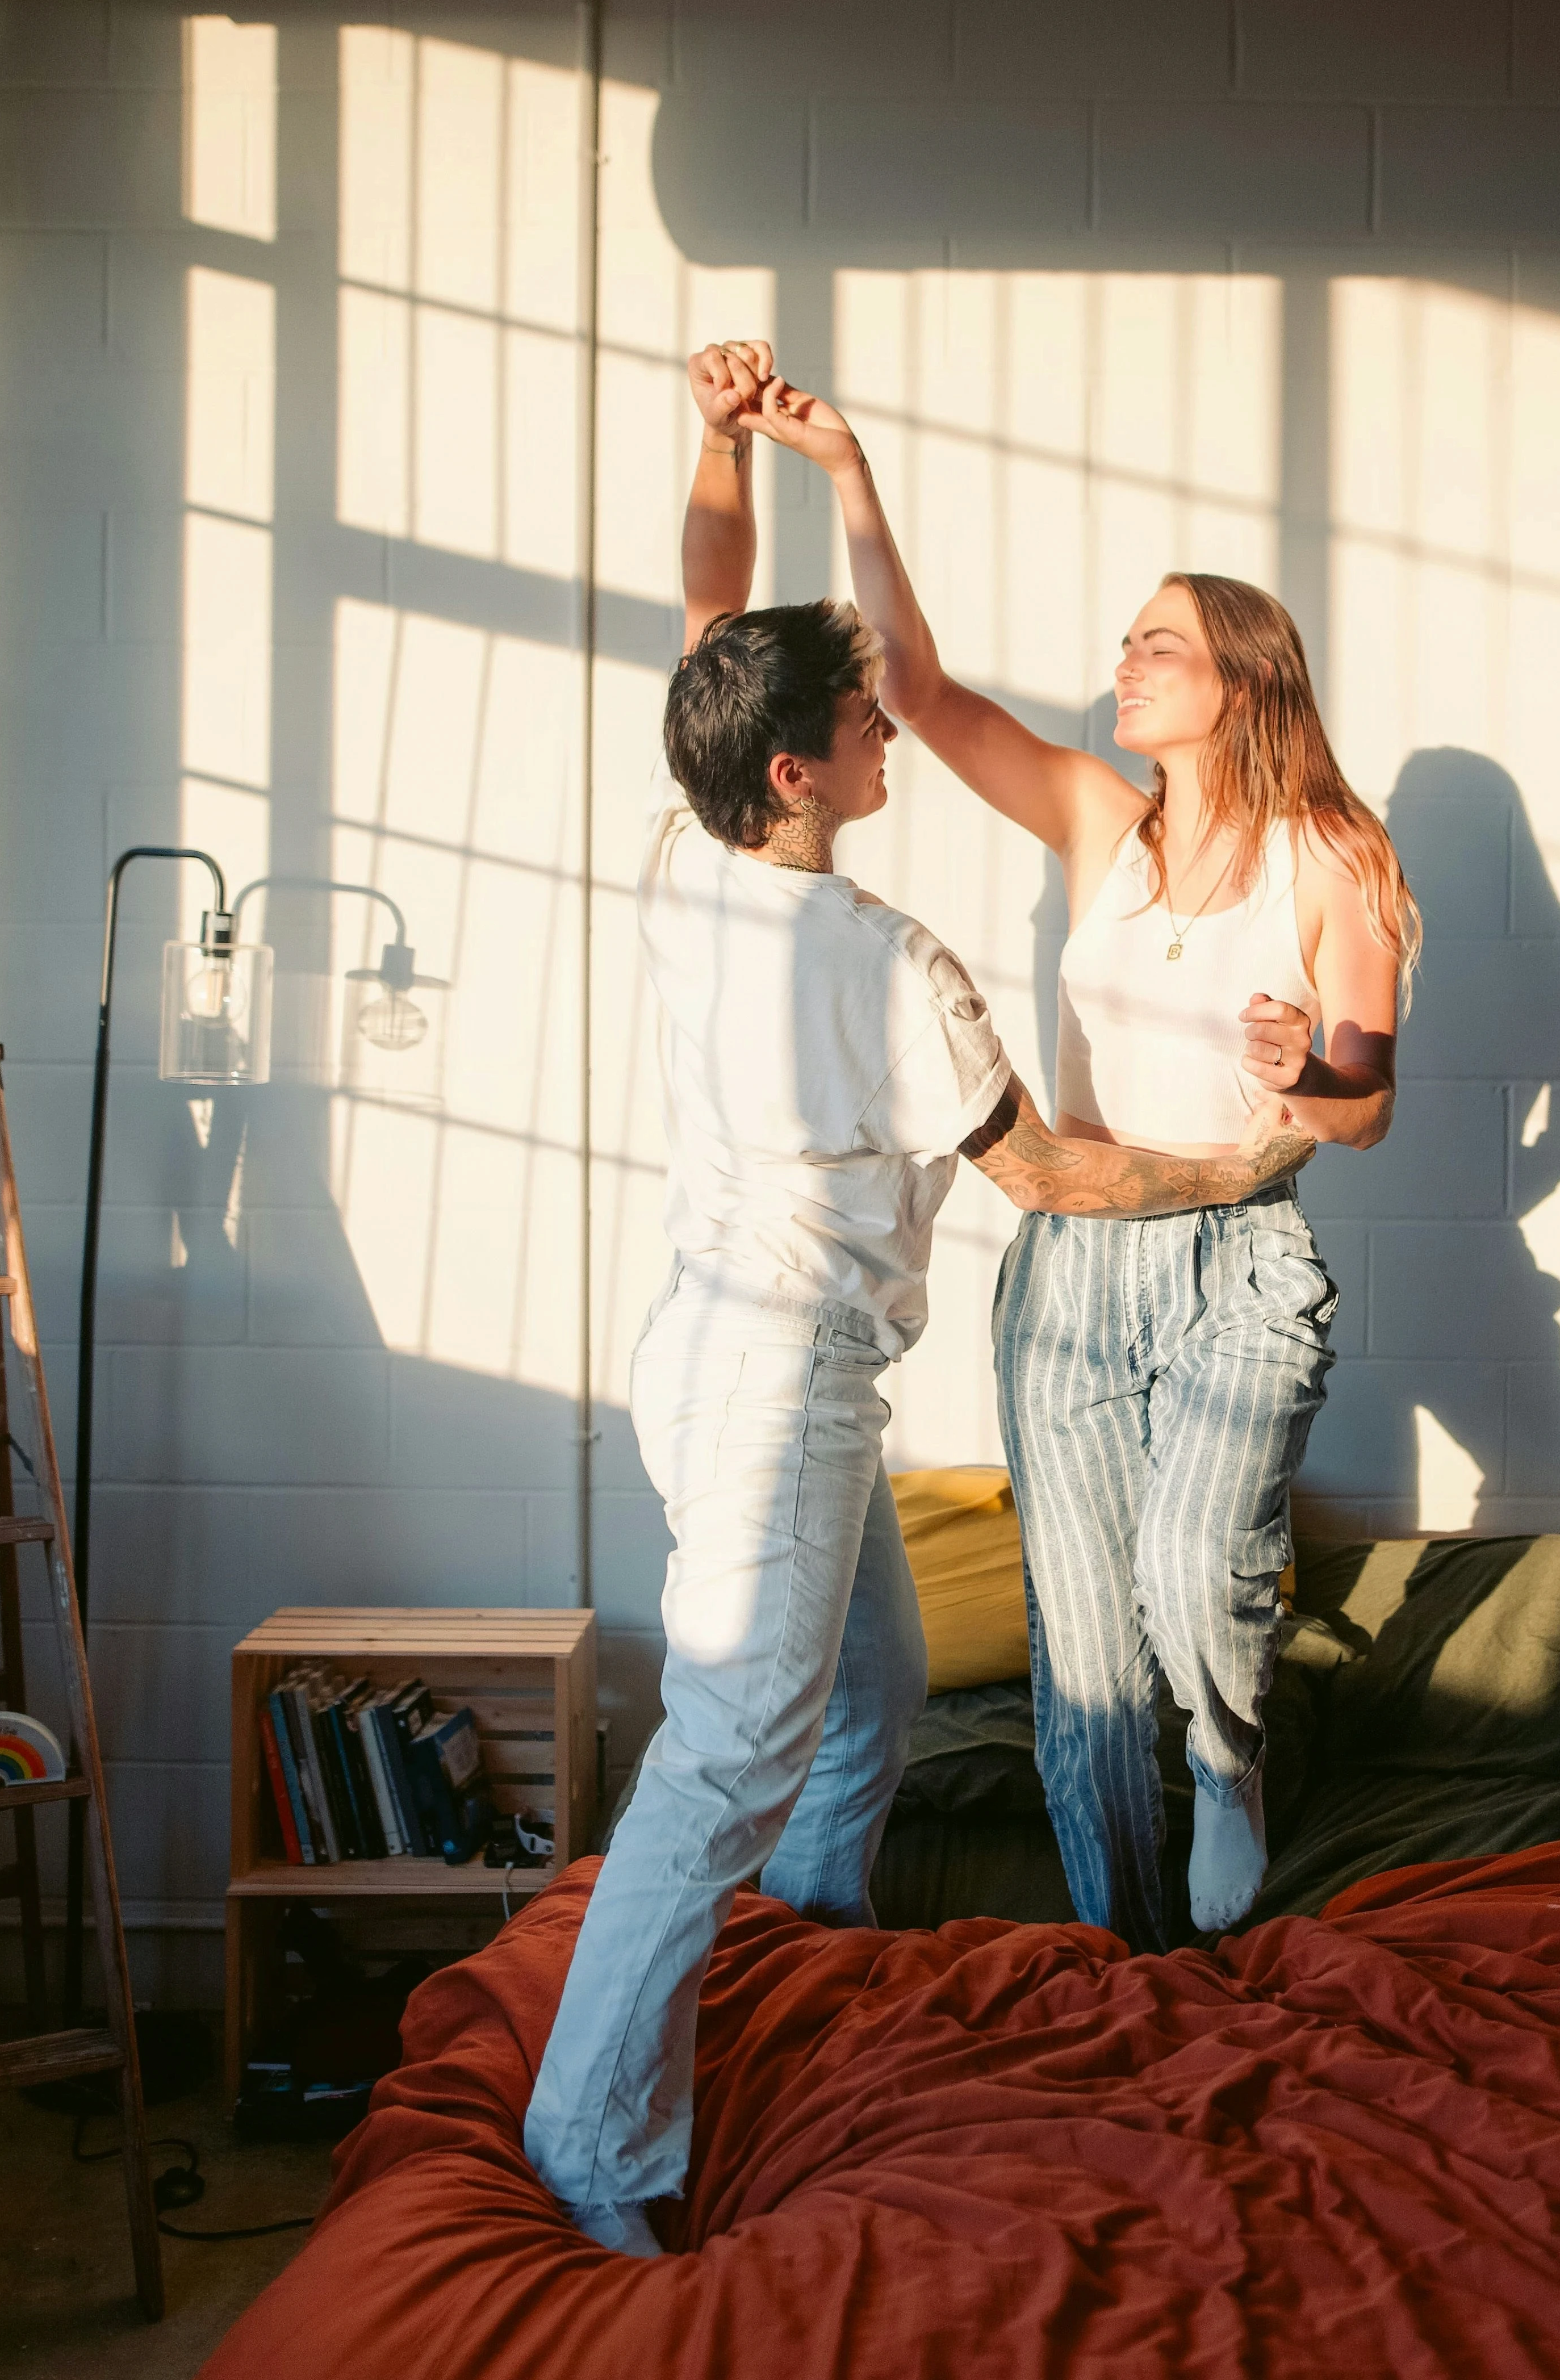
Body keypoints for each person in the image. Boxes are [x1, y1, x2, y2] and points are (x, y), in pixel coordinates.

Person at [523, 343, 1312, 2257]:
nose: (894, 741)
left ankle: (808, 1975)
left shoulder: (688, 860)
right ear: (802, 775)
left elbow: (716, 623)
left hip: (712, 1354)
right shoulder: (893, 964)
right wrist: (1239, 1165)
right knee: (726, 1755)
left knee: (867, 1699)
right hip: (778, 1382)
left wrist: (721, 447)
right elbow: (1047, 1170)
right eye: (867, 726)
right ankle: (597, 2147)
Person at [741, 370, 1418, 1953]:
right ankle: (1131, 1959)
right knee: (1085, 1647)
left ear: (1243, 682)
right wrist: (844, 464)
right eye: (1125, 640)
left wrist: (1299, 1072)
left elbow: (1371, 1108)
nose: (1125, 661)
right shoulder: (1101, 824)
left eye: (1158, 643)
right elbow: (912, 685)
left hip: (1240, 1245)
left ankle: (1233, 1757)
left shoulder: (1338, 859)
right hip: (1076, 1261)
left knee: (1195, 1567)